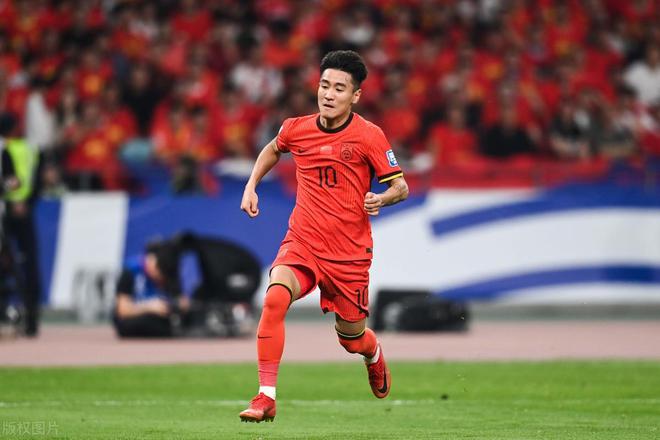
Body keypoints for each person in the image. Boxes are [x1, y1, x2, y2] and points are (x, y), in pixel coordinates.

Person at [239, 50, 409, 423]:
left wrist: (380, 198)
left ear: (356, 95)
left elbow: (401, 187)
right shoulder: (296, 128)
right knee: (275, 298)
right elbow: (273, 148)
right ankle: (266, 397)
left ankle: (372, 353)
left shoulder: (369, 136)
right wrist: (251, 185)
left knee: (351, 338)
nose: (329, 94)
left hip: (349, 254)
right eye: (324, 85)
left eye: (339, 88)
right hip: (303, 242)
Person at [0, 114, 41, 337]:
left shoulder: (7, 149)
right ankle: (31, 319)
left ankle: (19, 315)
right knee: (27, 264)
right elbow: (33, 179)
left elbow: (12, 180)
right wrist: (26, 201)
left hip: (7, 212)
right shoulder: (31, 149)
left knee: (14, 265)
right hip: (24, 211)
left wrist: (9, 191)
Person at [113, 241, 187, 338]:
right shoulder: (130, 271)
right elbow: (123, 310)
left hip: (164, 319)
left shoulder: (169, 272)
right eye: (158, 268)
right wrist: (150, 306)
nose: (160, 275)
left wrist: (176, 306)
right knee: (137, 323)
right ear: (149, 259)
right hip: (136, 319)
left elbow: (181, 301)